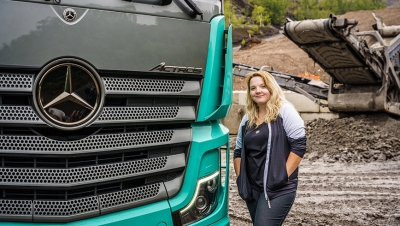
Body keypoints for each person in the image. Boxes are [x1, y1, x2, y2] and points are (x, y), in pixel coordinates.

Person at [233, 70, 306, 226]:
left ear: (272, 88)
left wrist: (281, 176)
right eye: (253, 88)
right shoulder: (248, 118)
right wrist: (241, 179)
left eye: (263, 86)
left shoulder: (285, 111)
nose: (258, 91)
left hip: (278, 189)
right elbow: (238, 150)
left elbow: (299, 146)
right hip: (253, 189)